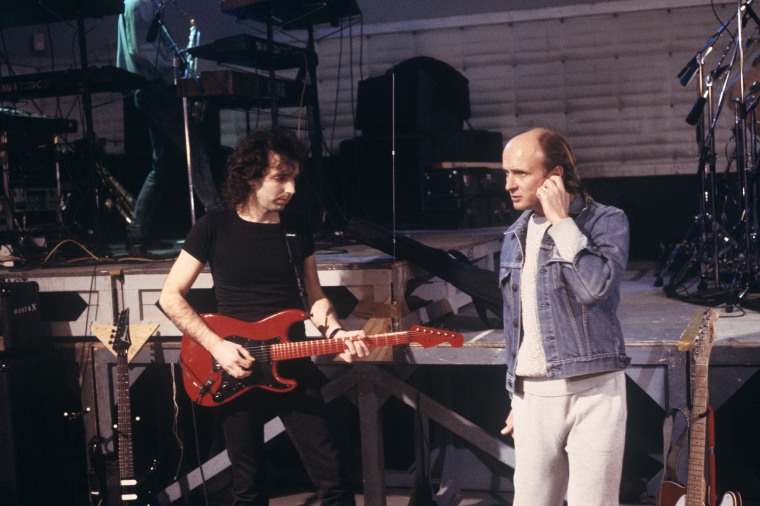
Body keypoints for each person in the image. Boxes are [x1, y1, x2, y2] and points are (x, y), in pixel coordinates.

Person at [159, 126, 369, 505]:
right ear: (252, 177)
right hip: (233, 366)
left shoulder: (295, 229)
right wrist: (217, 346)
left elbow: (315, 298)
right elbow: (171, 296)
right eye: (280, 178)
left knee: (334, 479)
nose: (291, 189)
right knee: (248, 485)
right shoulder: (213, 227)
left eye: (294, 178)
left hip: (291, 358)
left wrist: (336, 331)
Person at [497, 127, 630, 506]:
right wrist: (515, 393)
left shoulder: (606, 222)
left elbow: (594, 288)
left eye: (520, 173)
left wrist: (562, 222)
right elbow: (516, 325)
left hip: (595, 392)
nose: (509, 184)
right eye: (506, 173)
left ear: (554, 176)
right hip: (533, 398)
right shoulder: (514, 236)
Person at [116, 0, 223, 257]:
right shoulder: (139, 3)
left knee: (163, 165)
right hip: (154, 88)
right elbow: (137, 51)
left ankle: (136, 237)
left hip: (155, 88)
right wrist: (174, 66)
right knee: (196, 149)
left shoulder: (149, 4)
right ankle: (219, 223)